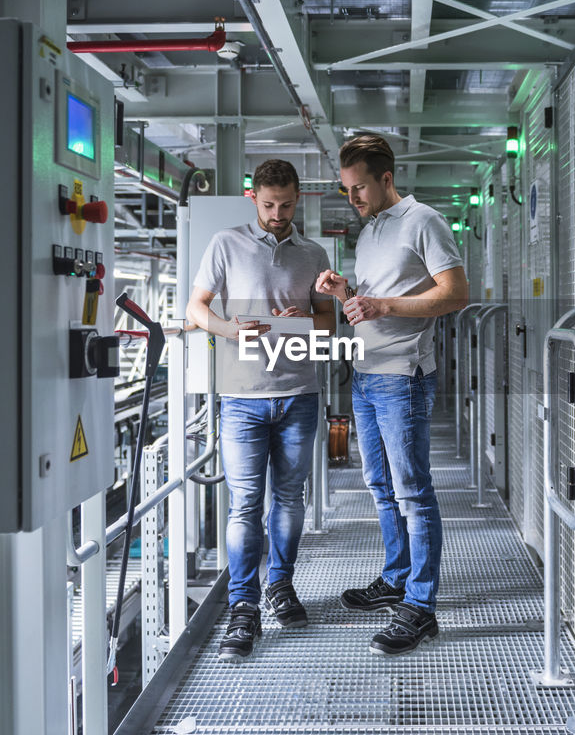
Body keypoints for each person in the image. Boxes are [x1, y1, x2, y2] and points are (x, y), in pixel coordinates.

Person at [315, 134, 469, 655]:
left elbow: (455, 294)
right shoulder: (369, 232)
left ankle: (421, 607)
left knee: (413, 492)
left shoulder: (423, 221)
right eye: (346, 190)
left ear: (386, 178)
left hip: (402, 376)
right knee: (380, 485)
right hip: (365, 372)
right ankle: (397, 577)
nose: (352, 199)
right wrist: (347, 296)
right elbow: (371, 302)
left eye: (359, 188)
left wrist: (383, 308)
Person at [187, 159, 335, 661]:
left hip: (299, 393)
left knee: (290, 500)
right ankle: (243, 605)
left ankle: (281, 586)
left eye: (287, 204)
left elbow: (328, 324)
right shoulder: (225, 244)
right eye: (269, 204)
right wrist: (231, 329)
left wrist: (306, 320)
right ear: (253, 198)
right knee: (245, 505)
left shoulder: (314, 254)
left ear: (299, 199)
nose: (278, 213)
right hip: (242, 398)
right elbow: (196, 308)